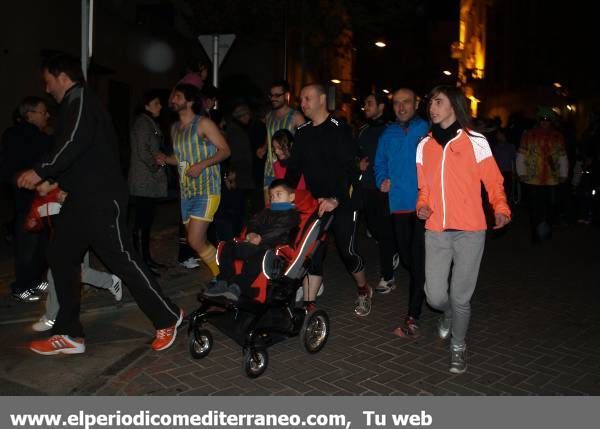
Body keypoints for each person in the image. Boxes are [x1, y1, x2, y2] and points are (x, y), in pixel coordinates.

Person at [17, 54, 183, 355]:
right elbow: (79, 156)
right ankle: (69, 334)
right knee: (60, 255)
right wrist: (57, 184)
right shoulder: (71, 105)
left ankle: (167, 315)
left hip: (102, 199)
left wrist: (41, 170)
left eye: (48, 81)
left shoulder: (79, 99)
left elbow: (74, 143)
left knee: (122, 259)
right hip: (80, 201)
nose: (46, 88)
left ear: (62, 77)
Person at [416, 85, 510, 373]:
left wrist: (501, 207)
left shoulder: (476, 141)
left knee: (461, 296)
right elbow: (426, 187)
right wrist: (422, 204)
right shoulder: (424, 145)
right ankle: (446, 314)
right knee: (434, 295)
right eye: (431, 101)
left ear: (454, 106)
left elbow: (493, 181)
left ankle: (458, 345)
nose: (432, 107)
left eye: (439, 101)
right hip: (437, 229)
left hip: (470, 230)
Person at [286, 84, 372, 316]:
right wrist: (283, 194)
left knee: (347, 250)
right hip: (316, 203)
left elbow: (352, 170)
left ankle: (363, 289)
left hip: (344, 200)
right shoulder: (302, 132)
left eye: (307, 98)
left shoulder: (339, 129)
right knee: (312, 251)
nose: (302, 103)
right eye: (301, 99)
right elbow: (293, 171)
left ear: (322, 99)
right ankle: (309, 306)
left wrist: (336, 198)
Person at [155, 83, 231, 283]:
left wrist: (201, 165)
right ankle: (226, 272)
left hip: (208, 189)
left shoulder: (203, 123)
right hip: (186, 192)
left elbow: (225, 150)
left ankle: (223, 276)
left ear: (189, 101)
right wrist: (165, 158)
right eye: (173, 96)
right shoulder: (175, 128)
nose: (173, 100)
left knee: (194, 240)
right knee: (199, 243)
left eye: (177, 96)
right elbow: (181, 159)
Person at [374, 88, 429, 338]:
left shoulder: (427, 129)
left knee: (416, 259)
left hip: (424, 206)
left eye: (406, 102)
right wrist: (381, 179)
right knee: (407, 258)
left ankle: (413, 315)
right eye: (397, 103)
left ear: (416, 103)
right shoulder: (388, 133)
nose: (401, 107)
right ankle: (429, 282)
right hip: (399, 205)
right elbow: (379, 163)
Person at [204, 179, 300, 301]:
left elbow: (279, 230)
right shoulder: (267, 211)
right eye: (271, 196)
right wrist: (251, 233)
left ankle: (237, 287)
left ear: (291, 197)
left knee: (257, 258)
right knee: (228, 247)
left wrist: (260, 237)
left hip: (273, 251)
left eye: (278, 194)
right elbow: (254, 222)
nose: (274, 198)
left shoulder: (292, 214)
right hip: (255, 245)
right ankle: (223, 282)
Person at [1, 96, 54, 302]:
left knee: (42, 244)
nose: (47, 115)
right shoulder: (16, 135)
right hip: (27, 201)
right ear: (29, 114)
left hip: (44, 200)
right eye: (43, 112)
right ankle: (21, 287)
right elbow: (10, 169)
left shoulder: (41, 135)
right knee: (27, 246)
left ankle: (35, 280)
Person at [358, 93, 398, 297]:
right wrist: (358, 164)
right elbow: (356, 153)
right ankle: (393, 250)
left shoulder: (391, 129)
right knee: (373, 229)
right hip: (366, 186)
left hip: (384, 188)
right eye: (365, 103)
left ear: (381, 107)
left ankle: (387, 277)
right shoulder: (364, 130)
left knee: (384, 232)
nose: (365, 106)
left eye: (369, 103)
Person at [128, 90, 168, 276]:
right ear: (146, 105)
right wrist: (156, 163)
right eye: (156, 103)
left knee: (146, 222)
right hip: (143, 181)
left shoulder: (148, 122)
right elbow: (143, 150)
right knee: (142, 222)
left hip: (148, 181)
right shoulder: (143, 123)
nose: (160, 106)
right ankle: (140, 262)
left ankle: (146, 258)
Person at [516, 107, 568, 242]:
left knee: (552, 205)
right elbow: (521, 155)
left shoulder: (558, 136)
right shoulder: (529, 135)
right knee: (534, 207)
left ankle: (547, 229)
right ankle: (535, 233)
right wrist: (521, 172)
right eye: (543, 119)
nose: (545, 122)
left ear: (551, 122)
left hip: (552, 177)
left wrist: (563, 173)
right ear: (539, 121)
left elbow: (562, 156)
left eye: (548, 120)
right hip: (533, 177)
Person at [257, 80, 304, 201]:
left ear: (286, 95)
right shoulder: (269, 116)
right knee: (268, 208)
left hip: (287, 169)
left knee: (285, 207)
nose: (273, 98)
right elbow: (270, 136)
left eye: (277, 95)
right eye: (271, 95)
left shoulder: (296, 117)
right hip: (269, 168)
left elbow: (305, 143)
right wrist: (264, 147)